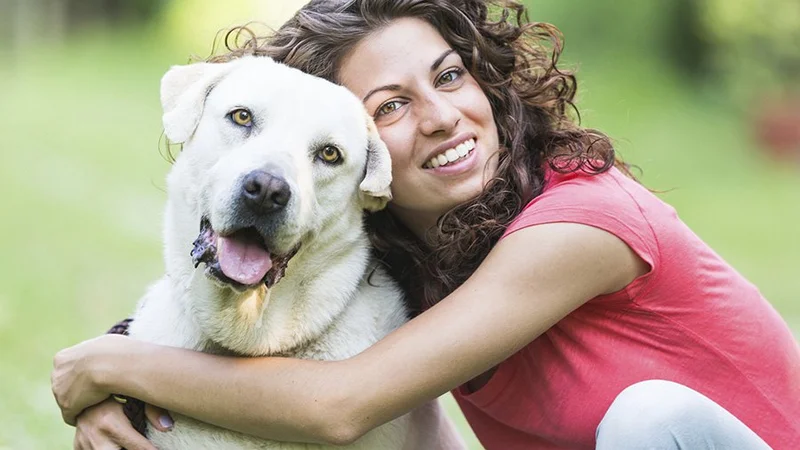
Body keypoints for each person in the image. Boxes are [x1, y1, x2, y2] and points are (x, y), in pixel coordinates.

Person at [51, 0, 800, 449]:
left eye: (448, 76)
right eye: (391, 105)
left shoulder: (583, 224)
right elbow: (259, 307)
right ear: (361, 165)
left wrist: (102, 367)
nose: (442, 117)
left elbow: (340, 404)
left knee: (650, 416)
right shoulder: (424, 247)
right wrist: (129, 365)